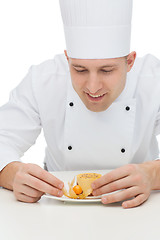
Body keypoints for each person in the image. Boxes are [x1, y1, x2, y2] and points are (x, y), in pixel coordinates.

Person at [0, 0, 160, 209]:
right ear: (67, 60)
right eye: (80, 70)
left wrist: (154, 174)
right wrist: (11, 173)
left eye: (107, 70)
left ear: (129, 62)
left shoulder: (153, 78)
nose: (93, 87)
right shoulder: (42, 80)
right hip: (56, 208)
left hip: (139, 208)